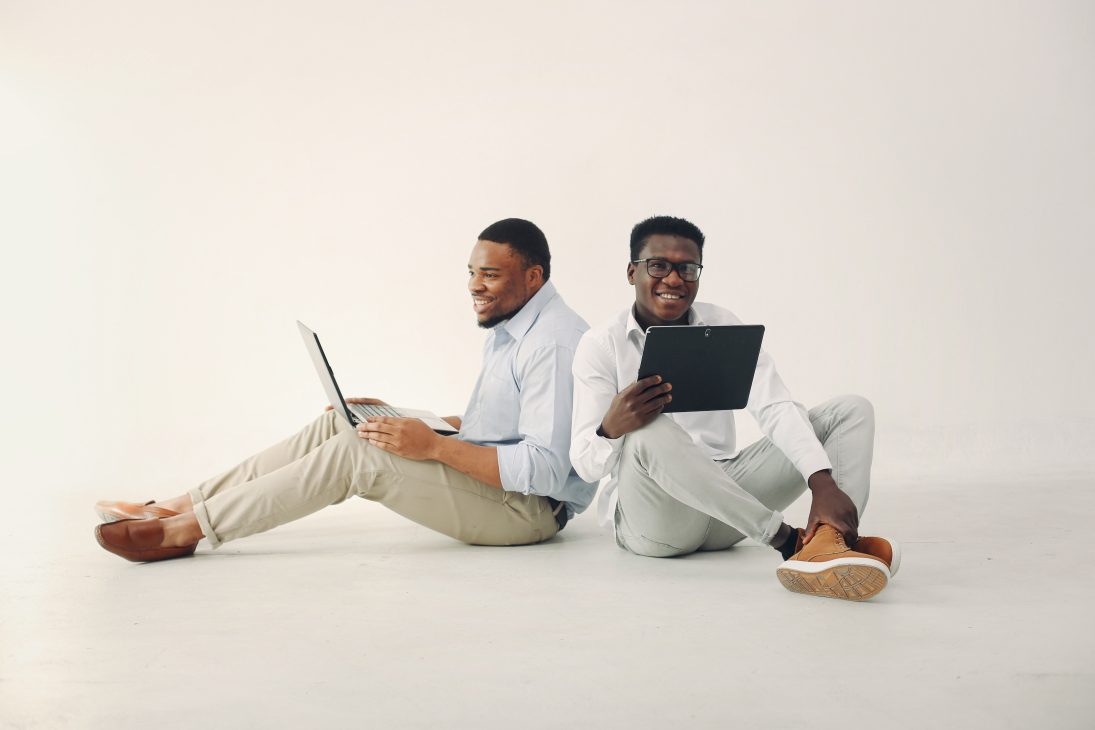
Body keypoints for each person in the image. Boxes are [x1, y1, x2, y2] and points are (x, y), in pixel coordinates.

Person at [95, 218, 595, 562]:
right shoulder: (516, 322)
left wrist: (435, 446)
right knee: (343, 422)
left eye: (490, 274)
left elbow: (544, 469)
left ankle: (186, 531)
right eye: (471, 272)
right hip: (501, 487)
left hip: (527, 511)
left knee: (359, 453)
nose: (473, 285)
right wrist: (411, 421)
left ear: (533, 277)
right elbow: (508, 428)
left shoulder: (552, 344)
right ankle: (179, 505)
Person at [569, 215, 899, 601]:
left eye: (687, 268)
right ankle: (790, 543)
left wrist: (821, 482)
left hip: (729, 508)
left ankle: (831, 543)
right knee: (648, 428)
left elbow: (775, 406)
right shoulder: (601, 345)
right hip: (658, 524)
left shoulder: (721, 324)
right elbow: (586, 467)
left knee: (851, 411)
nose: (674, 279)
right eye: (658, 266)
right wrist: (611, 428)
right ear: (632, 272)